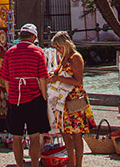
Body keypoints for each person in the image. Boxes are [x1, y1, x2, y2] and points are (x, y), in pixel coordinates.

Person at [0, 23, 51, 167]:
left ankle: (19, 165)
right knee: (34, 136)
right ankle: (34, 165)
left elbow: (5, 78)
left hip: (15, 99)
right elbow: (42, 78)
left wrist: (11, 95)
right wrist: (44, 98)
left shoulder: (10, 52)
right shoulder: (38, 52)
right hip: (34, 98)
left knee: (16, 137)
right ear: (33, 37)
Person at [48, 32, 94, 167]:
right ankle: (71, 163)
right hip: (62, 101)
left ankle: (77, 164)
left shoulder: (75, 58)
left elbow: (78, 81)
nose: (57, 51)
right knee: (65, 133)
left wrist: (58, 78)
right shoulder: (64, 58)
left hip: (74, 100)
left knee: (76, 133)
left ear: (65, 45)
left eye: (58, 47)